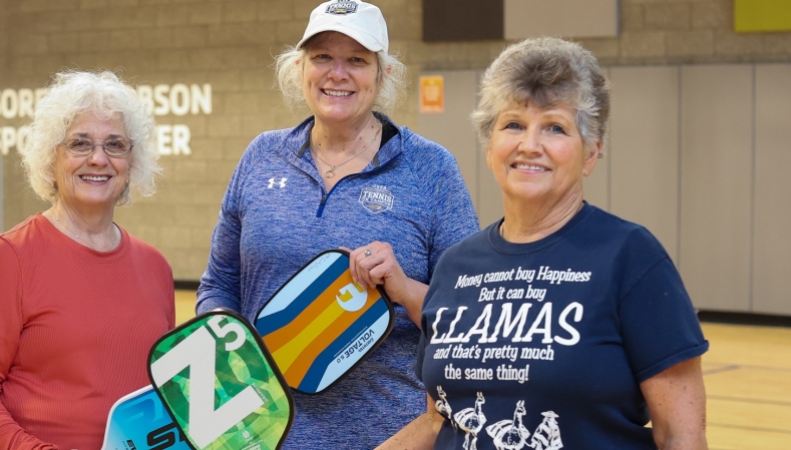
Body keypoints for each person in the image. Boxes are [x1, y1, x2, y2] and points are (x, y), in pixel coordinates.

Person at [378, 37, 709, 450]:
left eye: (555, 127)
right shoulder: (456, 266)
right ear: (490, 146)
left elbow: (681, 436)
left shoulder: (631, 259)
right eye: (513, 124)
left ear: (591, 152)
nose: (529, 145)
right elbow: (437, 420)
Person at [196, 1, 479, 447]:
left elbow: (472, 318)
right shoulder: (261, 156)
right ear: (300, 67)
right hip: (260, 434)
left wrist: (402, 288)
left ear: (383, 74)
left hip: (389, 436)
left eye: (357, 60)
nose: (337, 73)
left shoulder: (431, 169)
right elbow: (219, 284)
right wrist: (226, 338)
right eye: (323, 56)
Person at [0, 71, 173, 450]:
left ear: (132, 161)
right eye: (80, 144)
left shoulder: (155, 267)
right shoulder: (9, 258)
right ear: (51, 158)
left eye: (115, 145)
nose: (98, 159)